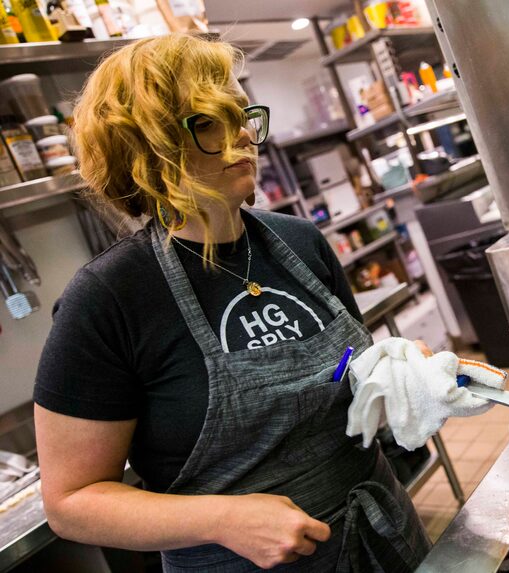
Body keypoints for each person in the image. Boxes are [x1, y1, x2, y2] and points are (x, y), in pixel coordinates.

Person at [33, 33, 432, 572]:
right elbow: (70, 503)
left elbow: (343, 367)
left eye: (242, 115)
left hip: (384, 543)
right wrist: (221, 519)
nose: (244, 135)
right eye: (210, 121)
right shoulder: (109, 298)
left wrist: (395, 376)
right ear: (148, 146)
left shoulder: (299, 242)